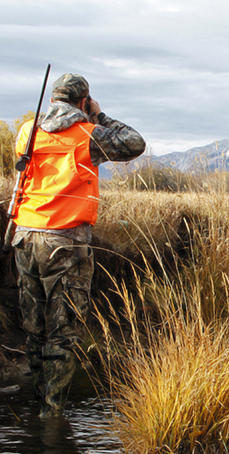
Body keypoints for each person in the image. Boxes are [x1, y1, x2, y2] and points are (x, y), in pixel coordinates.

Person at [11, 73, 145, 417]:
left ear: (53, 99)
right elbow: (134, 143)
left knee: (35, 329)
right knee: (63, 333)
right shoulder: (88, 134)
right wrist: (99, 115)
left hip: (25, 237)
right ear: (83, 101)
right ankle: (51, 415)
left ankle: (36, 405)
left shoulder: (28, 131)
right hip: (65, 243)